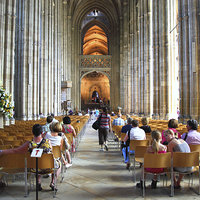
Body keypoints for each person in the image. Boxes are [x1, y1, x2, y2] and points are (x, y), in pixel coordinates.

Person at [0, 124, 53, 191]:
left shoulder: (29, 144)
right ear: (42, 132)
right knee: (43, 160)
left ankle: (38, 182)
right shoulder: (48, 142)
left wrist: (2, 151)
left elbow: (16, 150)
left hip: (34, 168)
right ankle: (53, 182)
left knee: (37, 161)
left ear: (32, 133)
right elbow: (51, 152)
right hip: (48, 167)